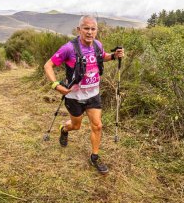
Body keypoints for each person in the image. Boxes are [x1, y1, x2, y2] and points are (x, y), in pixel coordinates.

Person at [44, 15, 124, 174]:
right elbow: (48, 65)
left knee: (98, 125)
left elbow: (102, 57)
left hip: (93, 94)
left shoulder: (97, 45)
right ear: (79, 30)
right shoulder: (69, 48)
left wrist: (114, 55)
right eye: (86, 28)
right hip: (74, 97)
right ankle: (64, 130)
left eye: (93, 29)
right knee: (76, 126)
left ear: (96, 30)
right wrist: (55, 85)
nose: (89, 32)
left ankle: (95, 157)